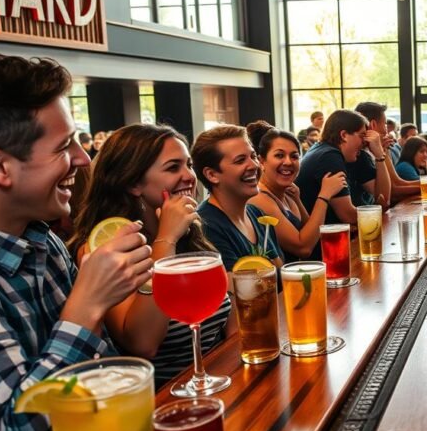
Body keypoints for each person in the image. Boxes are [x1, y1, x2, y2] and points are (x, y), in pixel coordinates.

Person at [0, 54, 153, 431]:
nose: (82, 159)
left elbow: (103, 380)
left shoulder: (43, 242)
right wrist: (86, 306)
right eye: (64, 147)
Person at [68, 124, 230, 388]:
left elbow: (226, 318)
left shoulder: (191, 231)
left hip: (219, 381)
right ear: (133, 183)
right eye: (173, 167)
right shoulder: (105, 247)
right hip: (164, 398)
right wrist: (166, 240)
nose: (189, 176)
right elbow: (143, 343)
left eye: (188, 164)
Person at [246, 122, 345, 260]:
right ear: (262, 161)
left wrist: (297, 200)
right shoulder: (259, 198)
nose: (288, 162)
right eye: (279, 155)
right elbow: (303, 248)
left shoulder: (288, 193)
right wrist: (324, 195)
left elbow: (313, 233)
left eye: (294, 156)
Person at [191, 126, 284, 271]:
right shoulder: (206, 227)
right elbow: (237, 292)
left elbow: (281, 274)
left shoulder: (257, 215)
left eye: (253, 156)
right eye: (240, 161)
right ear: (212, 175)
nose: (254, 165)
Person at [296, 110, 389, 224]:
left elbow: (384, 197)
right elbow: (348, 216)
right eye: (362, 135)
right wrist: (379, 209)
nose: (365, 142)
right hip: (323, 239)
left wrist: (380, 156)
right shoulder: (329, 156)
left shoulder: (325, 150)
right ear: (344, 135)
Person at [355, 102, 417, 204]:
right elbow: (390, 194)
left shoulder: (380, 148)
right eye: (384, 124)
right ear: (373, 124)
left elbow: (397, 181)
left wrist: (384, 152)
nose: (387, 131)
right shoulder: (360, 155)